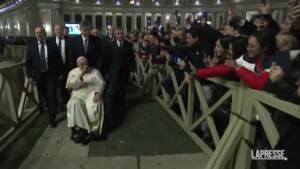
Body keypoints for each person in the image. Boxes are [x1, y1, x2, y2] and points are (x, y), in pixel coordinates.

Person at [25, 26, 63, 127]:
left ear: (45, 33)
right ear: (35, 34)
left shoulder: (52, 45)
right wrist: (29, 76)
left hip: (51, 76)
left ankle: (52, 118)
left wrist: (60, 74)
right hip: (39, 77)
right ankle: (50, 111)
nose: (39, 35)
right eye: (37, 33)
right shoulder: (31, 46)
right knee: (45, 97)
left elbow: (58, 60)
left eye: (41, 32)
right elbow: (28, 63)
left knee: (51, 96)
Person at [66, 56, 106, 144]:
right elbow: (70, 86)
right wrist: (81, 76)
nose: (85, 66)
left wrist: (98, 92)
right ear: (77, 64)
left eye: (86, 64)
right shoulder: (73, 72)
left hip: (91, 94)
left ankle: (96, 131)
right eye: (82, 64)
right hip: (78, 95)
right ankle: (84, 130)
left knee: (96, 103)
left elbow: (101, 83)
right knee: (74, 103)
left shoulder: (95, 71)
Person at [105, 27, 134, 130]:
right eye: (117, 33)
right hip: (114, 73)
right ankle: (116, 108)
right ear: (115, 35)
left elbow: (131, 59)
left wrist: (131, 71)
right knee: (115, 90)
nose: (119, 35)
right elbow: (107, 60)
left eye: (121, 33)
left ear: (123, 34)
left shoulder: (128, 45)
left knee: (123, 89)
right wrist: (107, 73)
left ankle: (122, 106)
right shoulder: (110, 45)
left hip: (125, 73)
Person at [49, 24, 72, 105]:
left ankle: (66, 104)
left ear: (63, 30)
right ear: (54, 31)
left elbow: (71, 56)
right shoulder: (49, 41)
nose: (58, 31)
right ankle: (56, 106)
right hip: (53, 70)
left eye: (60, 29)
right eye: (56, 29)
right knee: (53, 90)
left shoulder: (69, 40)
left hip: (66, 69)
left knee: (65, 89)